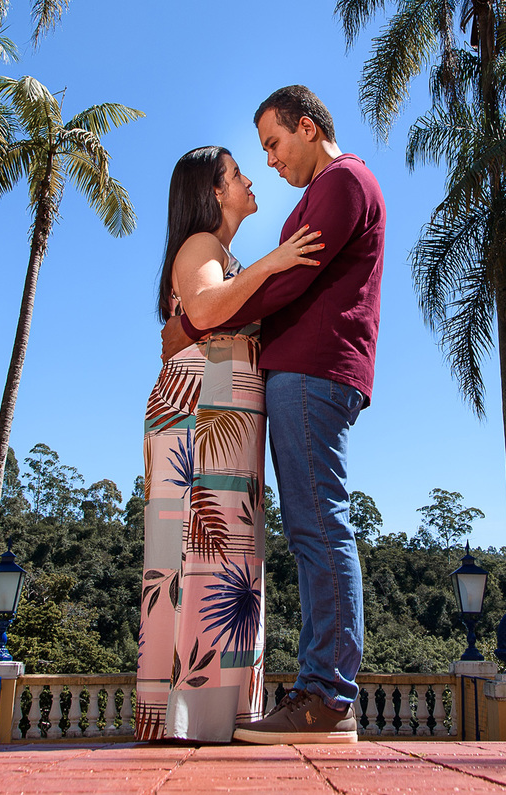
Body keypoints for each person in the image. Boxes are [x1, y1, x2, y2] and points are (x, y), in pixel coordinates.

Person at [162, 86, 386, 745]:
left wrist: (199, 317)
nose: (270, 159)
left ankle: (327, 696)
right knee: (310, 529)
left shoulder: (343, 183)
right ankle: (317, 687)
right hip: (302, 372)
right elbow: (278, 283)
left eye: (274, 143)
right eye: (260, 150)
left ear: (309, 128)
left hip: (316, 371)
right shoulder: (326, 191)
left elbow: (290, 282)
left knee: (319, 526)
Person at [136, 145, 324, 743]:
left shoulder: (226, 254)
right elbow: (204, 306)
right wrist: (273, 264)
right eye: (238, 173)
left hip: (230, 419)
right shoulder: (202, 247)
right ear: (214, 192)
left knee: (226, 566)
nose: (250, 178)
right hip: (200, 416)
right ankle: (191, 722)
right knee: (195, 563)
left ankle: (216, 718)